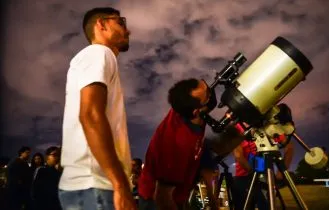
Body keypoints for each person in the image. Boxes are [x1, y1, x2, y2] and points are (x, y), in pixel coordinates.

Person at [58, 7, 136, 210]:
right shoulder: (99, 53)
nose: (128, 31)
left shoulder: (95, 57)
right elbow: (91, 115)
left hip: (90, 186)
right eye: (121, 22)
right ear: (101, 24)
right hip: (97, 186)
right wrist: (120, 184)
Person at [138, 78, 216, 210]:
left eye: (206, 86)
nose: (212, 92)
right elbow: (162, 198)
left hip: (177, 194)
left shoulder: (185, 108)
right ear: (196, 112)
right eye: (208, 96)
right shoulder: (177, 146)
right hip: (156, 201)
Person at [232, 103, 295, 210]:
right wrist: (253, 172)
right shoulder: (238, 127)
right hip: (243, 177)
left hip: (264, 176)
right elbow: (238, 155)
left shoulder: (269, 127)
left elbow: (289, 147)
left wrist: (282, 169)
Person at [5, 146, 32, 210]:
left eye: (29, 153)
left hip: (20, 191)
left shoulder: (24, 163)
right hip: (16, 191)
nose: (28, 155)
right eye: (27, 153)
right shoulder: (15, 162)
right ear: (21, 153)